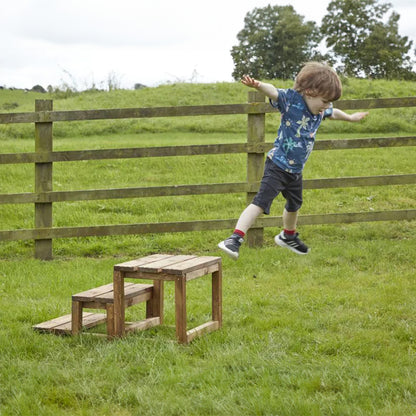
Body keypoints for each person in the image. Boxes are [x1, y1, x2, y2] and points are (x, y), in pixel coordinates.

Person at [218, 62, 369, 259]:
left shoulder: (320, 110)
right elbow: (273, 92)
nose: (327, 106)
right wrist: (258, 85)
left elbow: (334, 113)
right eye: (325, 101)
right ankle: (234, 238)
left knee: (294, 204)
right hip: (278, 165)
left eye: (329, 102)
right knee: (261, 202)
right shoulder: (292, 101)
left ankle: (288, 236)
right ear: (309, 91)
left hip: (295, 170)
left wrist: (350, 118)